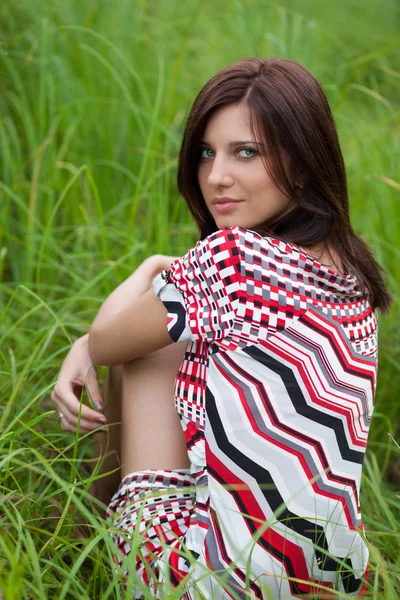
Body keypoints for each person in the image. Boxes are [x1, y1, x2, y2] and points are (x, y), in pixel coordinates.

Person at [51, 57, 392, 599]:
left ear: (302, 162)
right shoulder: (353, 273)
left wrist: (146, 273)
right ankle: (85, 533)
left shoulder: (230, 259)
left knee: (150, 349)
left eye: (245, 152)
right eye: (207, 152)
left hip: (203, 586)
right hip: (325, 579)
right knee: (176, 332)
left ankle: (81, 538)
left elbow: (110, 340)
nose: (215, 176)